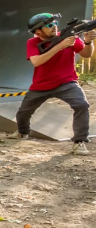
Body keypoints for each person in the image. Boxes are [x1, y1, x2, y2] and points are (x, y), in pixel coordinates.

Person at [8, 13, 94, 155]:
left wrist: (88, 42)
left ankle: (79, 142)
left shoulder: (69, 37)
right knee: (23, 113)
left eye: (54, 23)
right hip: (41, 86)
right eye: (49, 25)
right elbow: (37, 61)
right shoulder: (33, 43)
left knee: (82, 105)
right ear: (38, 32)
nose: (54, 27)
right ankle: (22, 133)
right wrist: (60, 46)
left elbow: (86, 54)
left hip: (67, 82)